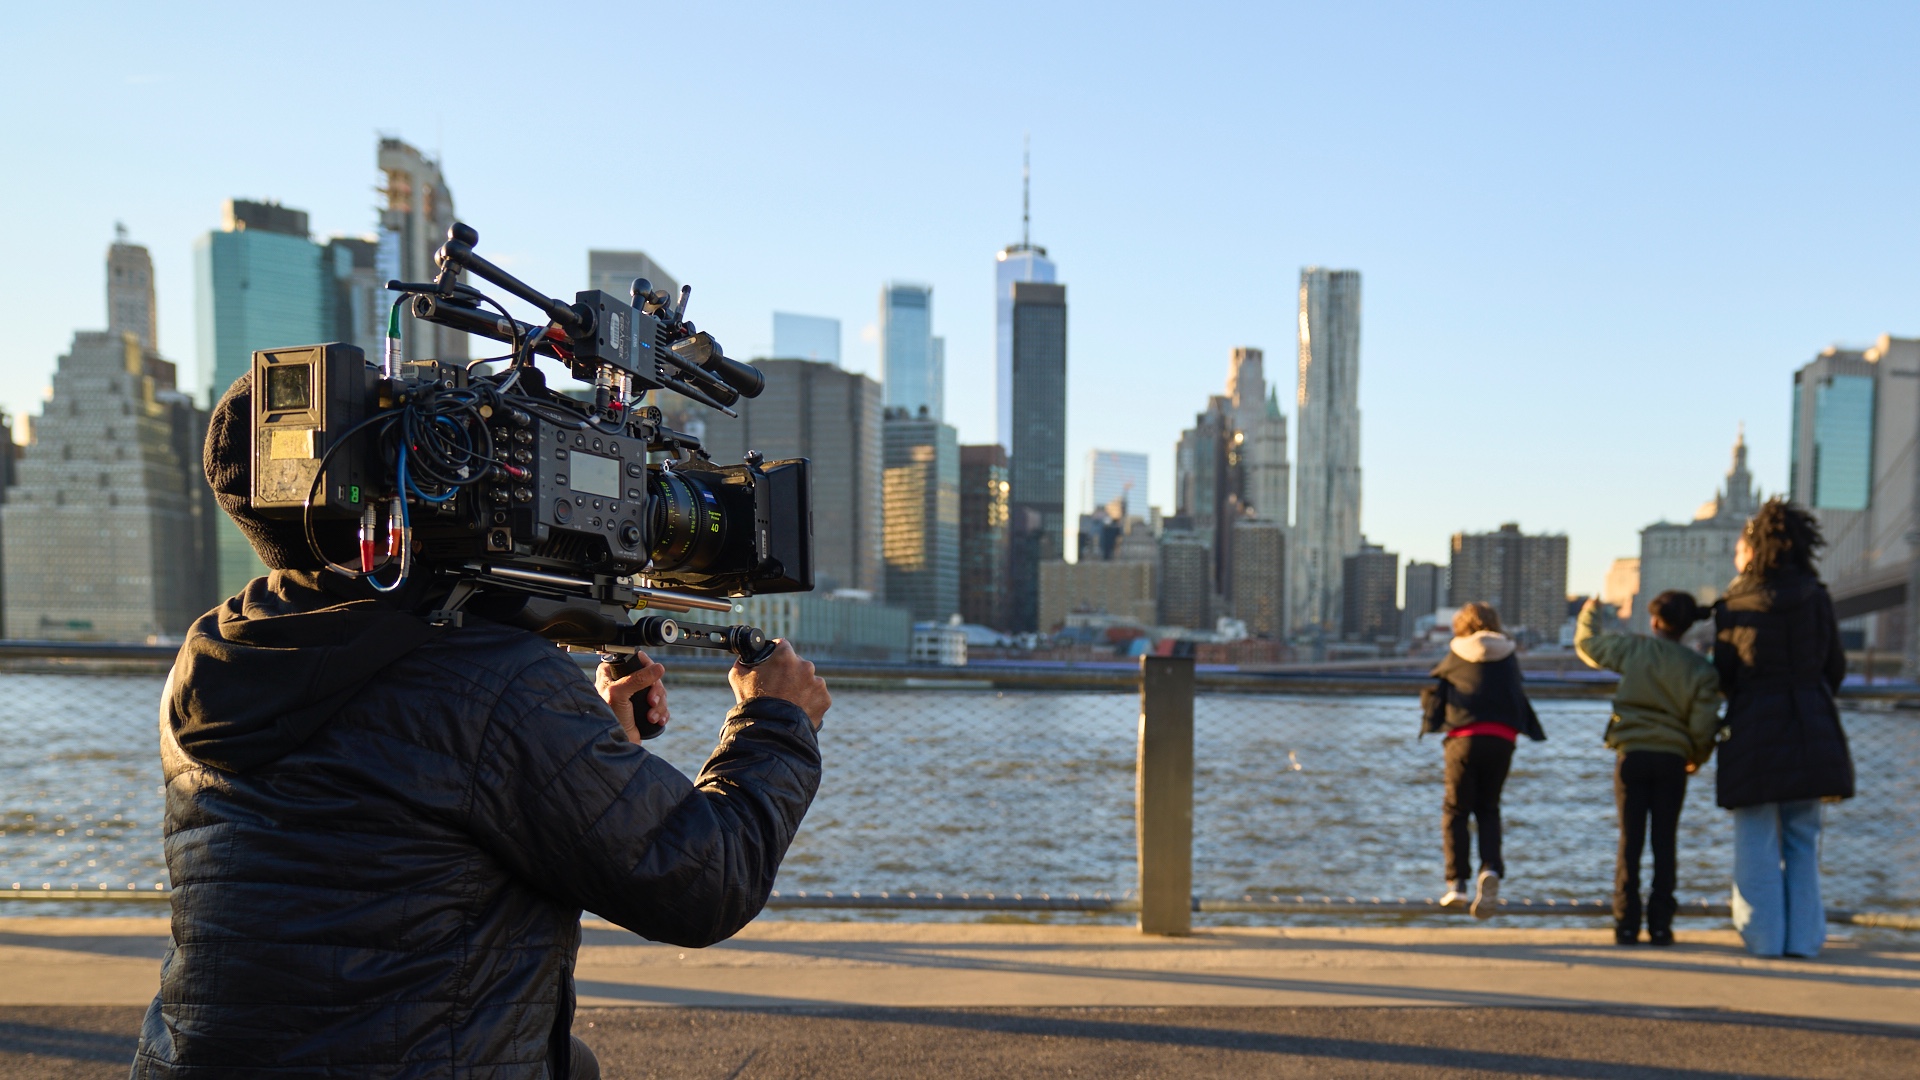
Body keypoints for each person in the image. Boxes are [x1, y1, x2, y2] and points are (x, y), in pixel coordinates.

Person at [131, 374, 829, 1079]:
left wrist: (583, 745)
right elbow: (704, 883)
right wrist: (776, 721)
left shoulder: (213, 654)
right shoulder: (494, 679)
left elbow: (388, 818)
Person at [1713, 497, 1852, 958]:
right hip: (1811, 724)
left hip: (1753, 727)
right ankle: (1805, 941)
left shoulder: (1734, 603)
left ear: (1754, 550)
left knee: (1755, 835)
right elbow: (1834, 667)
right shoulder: (1817, 596)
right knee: (1803, 837)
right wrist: (1809, 696)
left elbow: (1724, 674)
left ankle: (1764, 938)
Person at [1574, 592, 1722, 947]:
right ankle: (1660, 926)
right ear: (1687, 627)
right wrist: (1696, 757)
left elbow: (1588, 645)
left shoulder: (1634, 649)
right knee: (1665, 842)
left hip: (1632, 756)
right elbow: (1704, 725)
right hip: (1673, 760)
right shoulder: (1700, 669)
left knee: (1630, 841)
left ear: (1655, 622)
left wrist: (1590, 612)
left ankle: (1626, 924)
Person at [1420, 602, 1546, 919]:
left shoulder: (1457, 652)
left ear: (1461, 626)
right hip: (1502, 739)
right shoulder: (1509, 654)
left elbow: (1438, 690)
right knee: (1488, 809)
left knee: (1456, 810)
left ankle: (1457, 884)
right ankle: (1490, 868)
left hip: (1463, 739)